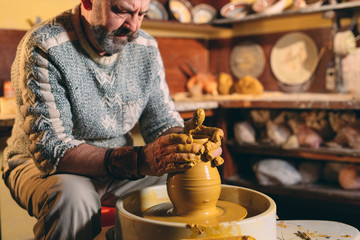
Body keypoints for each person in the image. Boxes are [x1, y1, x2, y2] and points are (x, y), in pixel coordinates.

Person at [1, 0, 223, 239]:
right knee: (73, 199)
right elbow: (52, 150)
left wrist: (185, 143)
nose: (134, 26)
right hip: (43, 165)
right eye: (122, 11)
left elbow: (161, 122)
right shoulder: (46, 45)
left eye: (142, 14)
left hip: (118, 160)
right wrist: (139, 160)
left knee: (181, 178)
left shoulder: (145, 46)